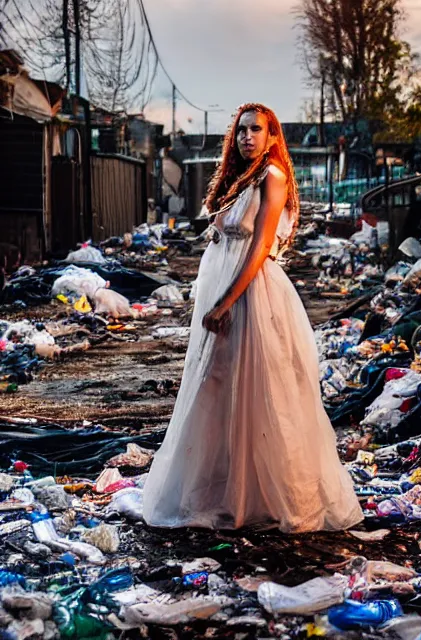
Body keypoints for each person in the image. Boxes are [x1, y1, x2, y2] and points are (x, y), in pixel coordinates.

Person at [143, 103, 363, 533]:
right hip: (227, 288)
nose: (247, 137)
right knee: (221, 387)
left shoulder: (272, 176)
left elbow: (261, 247)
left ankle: (263, 496)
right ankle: (227, 491)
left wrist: (225, 302)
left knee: (261, 391)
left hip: (252, 295)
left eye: (256, 130)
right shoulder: (239, 179)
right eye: (242, 130)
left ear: (272, 136)